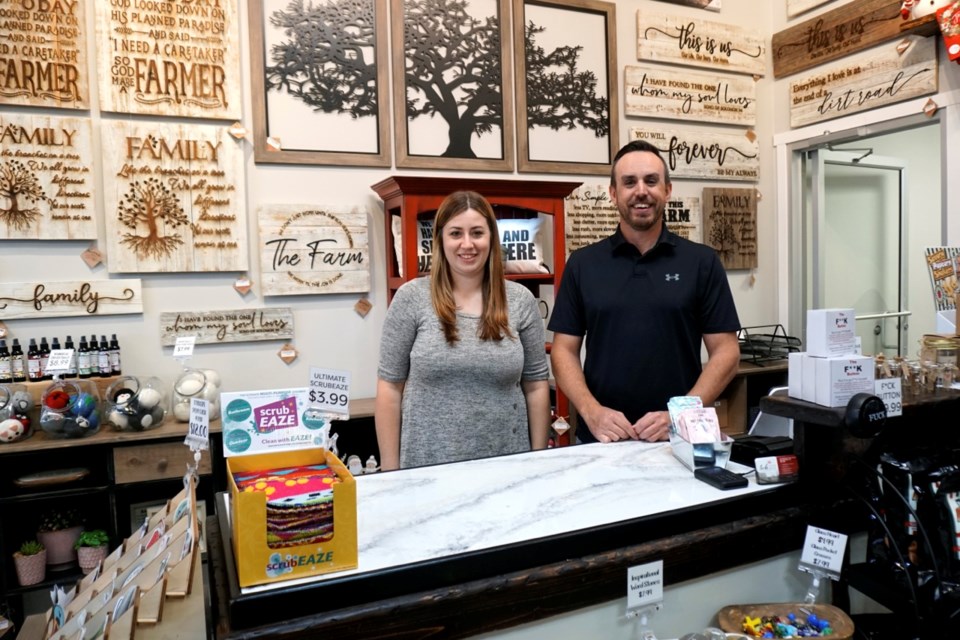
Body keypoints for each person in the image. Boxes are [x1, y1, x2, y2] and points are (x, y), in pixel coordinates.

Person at [548, 139, 741, 444]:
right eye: (629, 182)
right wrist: (591, 411)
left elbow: (727, 352)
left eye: (651, 181)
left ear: (667, 190)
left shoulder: (702, 262)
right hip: (601, 438)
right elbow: (563, 351)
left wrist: (679, 415)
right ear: (614, 193)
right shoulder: (583, 264)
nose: (641, 190)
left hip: (678, 439)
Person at [376, 190, 551, 470]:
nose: (467, 244)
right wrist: (389, 471)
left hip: (506, 464)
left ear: (491, 239)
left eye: (477, 233)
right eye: (456, 233)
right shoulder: (411, 298)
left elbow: (536, 386)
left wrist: (537, 459)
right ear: (441, 240)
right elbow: (389, 387)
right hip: (426, 468)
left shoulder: (520, 301)